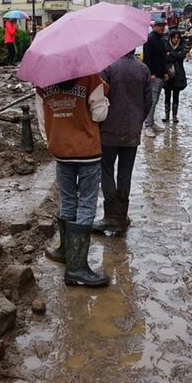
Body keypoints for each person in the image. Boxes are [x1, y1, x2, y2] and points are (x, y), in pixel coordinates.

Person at [36, 73, 110, 287]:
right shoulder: (91, 79)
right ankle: (77, 268)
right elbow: (99, 115)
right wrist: (105, 100)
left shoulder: (43, 83)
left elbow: (42, 119)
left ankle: (64, 250)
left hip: (60, 149)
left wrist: (52, 141)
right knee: (87, 203)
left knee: (67, 200)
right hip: (87, 150)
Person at [92, 50, 152, 235]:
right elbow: (148, 101)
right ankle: (121, 216)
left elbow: (98, 99)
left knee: (106, 170)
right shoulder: (143, 69)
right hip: (132, 131)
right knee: (125, 173)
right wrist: (137, 121)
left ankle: (110, 215)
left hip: (109, 130)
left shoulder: (107, 68)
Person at [142, 20, 168, 136]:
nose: (162, 28)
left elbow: (163, 58)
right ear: (154, 27)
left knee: (156, 100)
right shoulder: (150, 39)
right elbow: (147, 58)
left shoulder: (161, 39)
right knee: (152, 100)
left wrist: (165, 72)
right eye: (160, 26)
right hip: (153, 76)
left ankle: (151, 122)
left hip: (160, 75)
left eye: (163, 26)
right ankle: (148, 125)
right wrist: (150, 73)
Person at [163, 29, 188, 122]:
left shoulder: (182, 46)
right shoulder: (165, 45)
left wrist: (171, 54)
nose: (176, 40)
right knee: (167, 95)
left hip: (178, 74)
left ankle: (174, 115)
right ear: (171, 37)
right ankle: (166, 115)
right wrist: (175, 55)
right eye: (174, 38)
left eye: (178, 38)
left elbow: (181, 56)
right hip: (167, 74)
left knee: (176, 95)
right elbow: (164, 57)